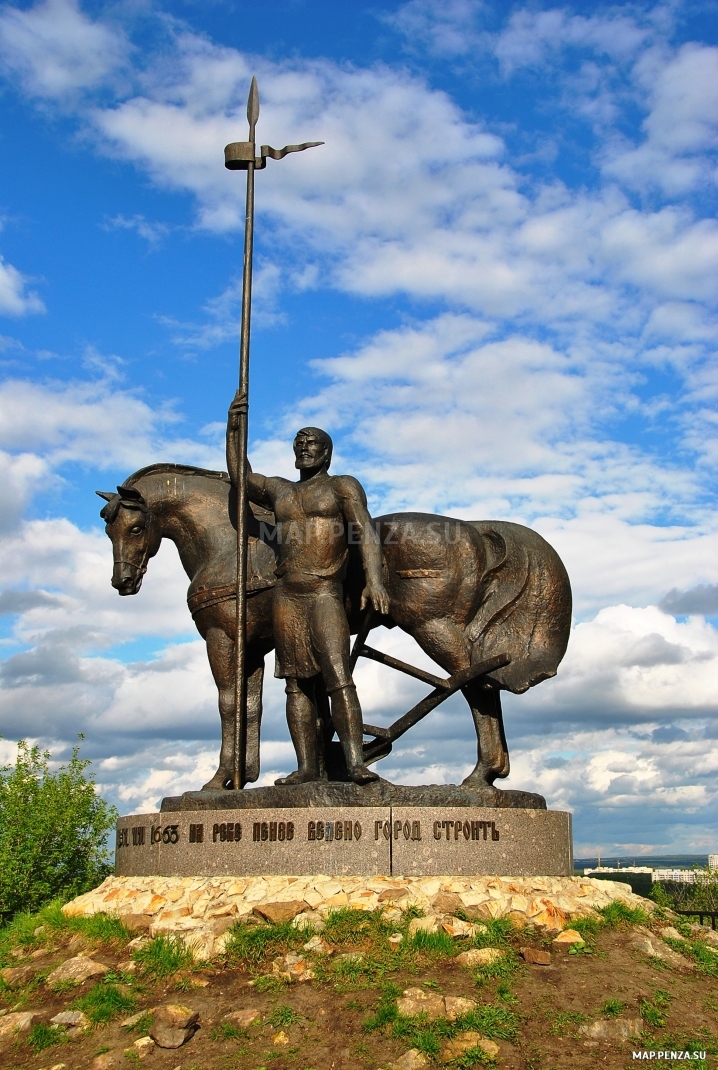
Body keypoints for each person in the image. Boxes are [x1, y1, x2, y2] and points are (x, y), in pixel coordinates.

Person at [227, 391, 390, 785]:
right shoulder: (281, 490)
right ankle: (306, 767)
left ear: (327, 453)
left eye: (312, 442)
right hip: (288, 594)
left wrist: (375, 579)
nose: (304, 447)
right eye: (299, 443)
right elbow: (241, 477)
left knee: (338, 675)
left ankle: (354, 763)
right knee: (295, 684)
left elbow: (364, 530)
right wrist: (233, 428)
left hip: (323, 592)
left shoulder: (341, 487)